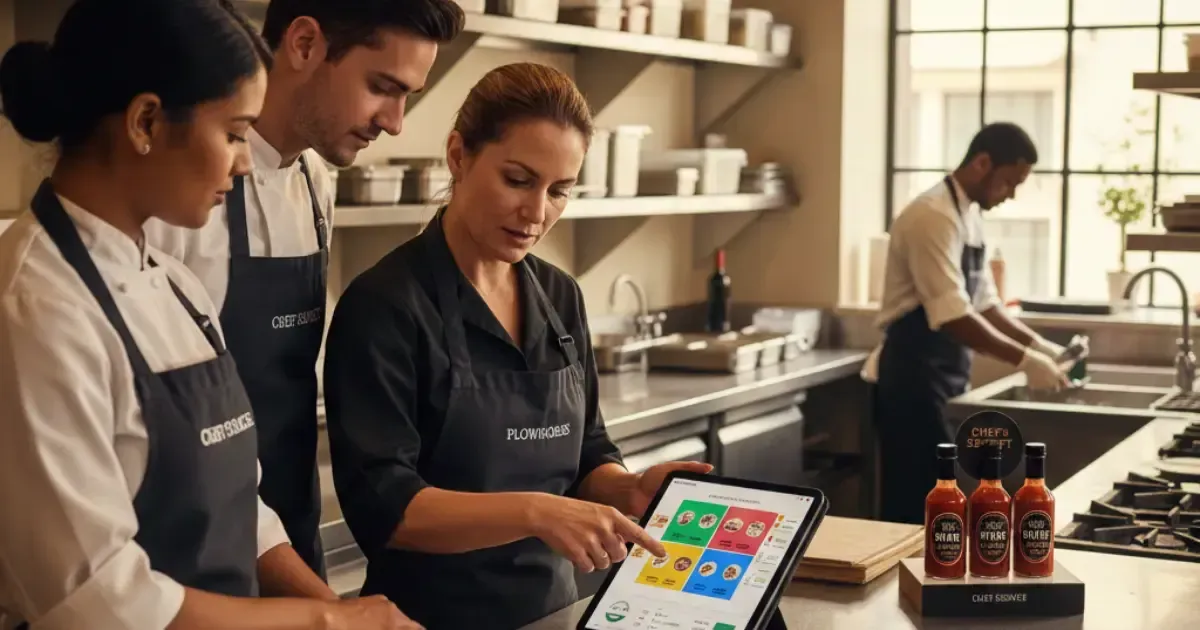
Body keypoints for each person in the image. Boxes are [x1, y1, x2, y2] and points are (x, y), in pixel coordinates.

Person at [0, 1, 418, 628]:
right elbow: (95, 602)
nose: (247, 161)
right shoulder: (35, 306)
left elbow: (236, 502)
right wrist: (326, 623)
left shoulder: (175, 286)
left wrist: (336, 606)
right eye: (232, 134)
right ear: (146, 122)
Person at [322, 62, 714, 630]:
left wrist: (627, 488)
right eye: (518, 180)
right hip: (427, 618)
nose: (537, 214)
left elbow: (587, 452)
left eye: (560, 191)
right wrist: (535, 511)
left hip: (554, 612)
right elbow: (387, 507)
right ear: (459, 155)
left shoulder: (560, 296)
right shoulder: (386, 304)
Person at [143, 0, 466, 580]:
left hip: (288, 524)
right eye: (382, 87)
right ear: (304, 44)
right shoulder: (179, 198)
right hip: (194, 547)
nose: (394, 122)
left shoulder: (318, 181)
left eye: (407, 98)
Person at [863, 122, 1070, 525]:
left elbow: (986, 304)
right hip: (912, 379)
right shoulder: (932, 216)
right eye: (1009, 181)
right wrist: (1026, 361)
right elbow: (953, 315)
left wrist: (1043, 347)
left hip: (944, 379)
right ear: (982, 163)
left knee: (944, 501)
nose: (1010, 194)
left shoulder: (969, 216)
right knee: (916, 503)